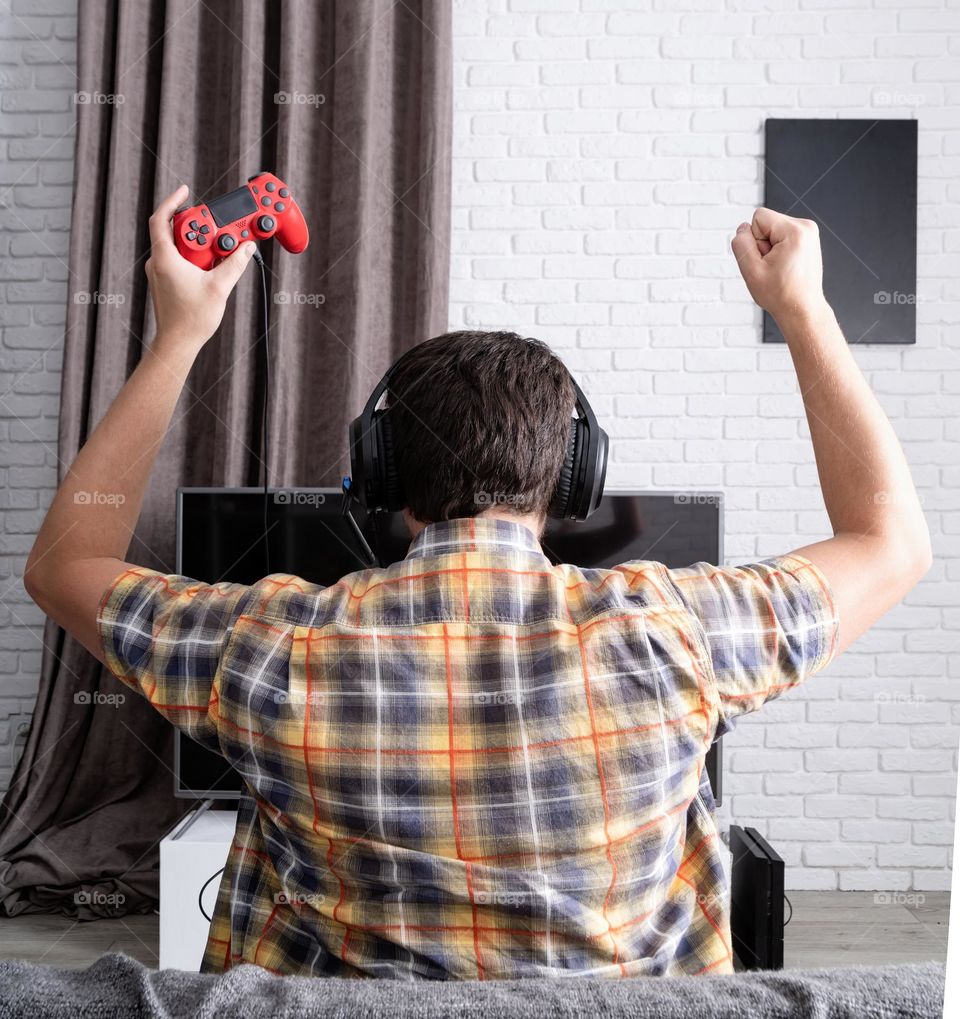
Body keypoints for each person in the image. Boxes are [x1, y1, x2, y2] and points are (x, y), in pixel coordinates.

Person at [24, 187, 931, 979]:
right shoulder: (678, 629)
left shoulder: (270, 648)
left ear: (377, 473)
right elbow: (889, 542)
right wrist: (805, 310)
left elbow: (64, 566)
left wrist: (178, 336)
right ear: (576, 480)